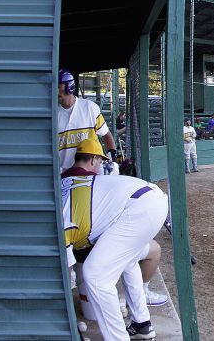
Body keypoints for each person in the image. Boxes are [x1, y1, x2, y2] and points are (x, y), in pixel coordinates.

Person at [62, 139, 169, 340]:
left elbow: (66, 274)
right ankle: (142, 324)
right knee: (124, 260)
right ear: (94, 159)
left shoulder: (64, 184)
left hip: (140, 206)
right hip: (148, 199)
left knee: (95, 275)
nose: (100, 166)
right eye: (100, 161)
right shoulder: (80, 183)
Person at [57, 68, 118, 172]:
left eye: (58, 86)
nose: (55, 90)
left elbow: (106, 135)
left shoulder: (90, 107)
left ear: (69, 87)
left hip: (92, 173)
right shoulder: (52, 114)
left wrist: (114, 161)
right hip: (65, 174)